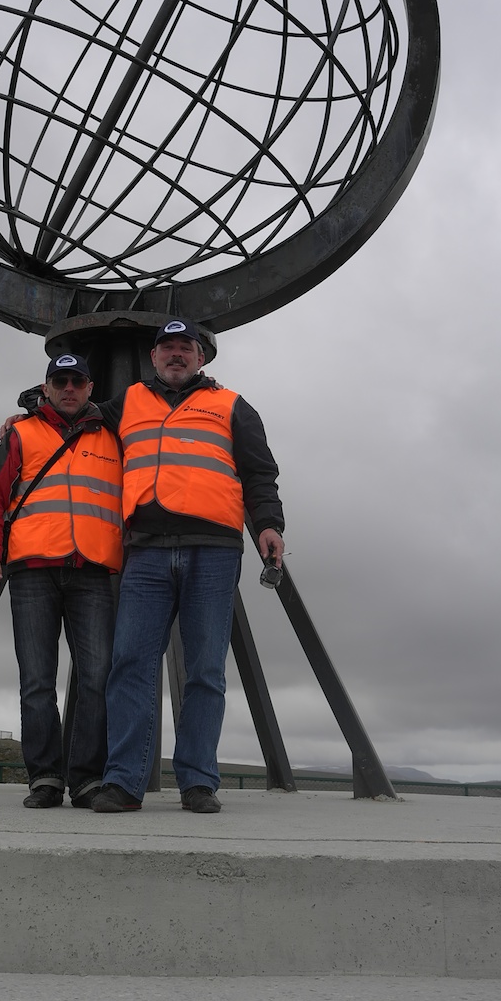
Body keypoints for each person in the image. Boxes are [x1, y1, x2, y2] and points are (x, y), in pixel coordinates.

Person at [90, 318, 285, 814]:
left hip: (213, 549)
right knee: (130, 664)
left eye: (185, 348)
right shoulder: (127, 402)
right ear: (153, 357)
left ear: (201, 358)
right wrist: (27, 408)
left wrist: (268, 524)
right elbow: (72, 415)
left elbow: (259, 472)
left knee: (204, 669)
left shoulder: (232, 405)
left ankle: (198, 782)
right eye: (167, 348)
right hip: (146, 550)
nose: (176, 354)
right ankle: (124, 782)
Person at [0, 353, 122, 809]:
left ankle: (88, 779)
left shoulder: (114, 435)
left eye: (77, 381)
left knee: (97, 677)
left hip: (92, 569)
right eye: (61, 381)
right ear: (47, 387)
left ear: (90, 387)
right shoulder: (21, 433)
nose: (68, 388)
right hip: (32, 571)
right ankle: (46, 779)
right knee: (37, 680)